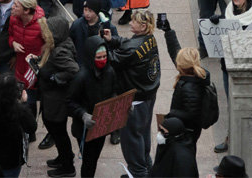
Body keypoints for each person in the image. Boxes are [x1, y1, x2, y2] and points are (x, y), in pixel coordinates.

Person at [102, 10, 161, 178]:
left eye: (134, 22)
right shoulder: (150, 39)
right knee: (142, 134)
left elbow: (112, 59)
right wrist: (113, 39)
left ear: (143, 26)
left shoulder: (133, 48)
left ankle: (138, 172)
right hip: (148, 94)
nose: (130, 23)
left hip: (134, 100)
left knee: (131, 140)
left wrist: (102, 46)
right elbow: (129, 44)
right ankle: (146, 168)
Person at [31, 16, 79, 177]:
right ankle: (64, 157)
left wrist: (53, 78)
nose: (44, 35)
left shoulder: (60, 51)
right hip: (52, 98)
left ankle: (68, 167)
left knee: (58, 131)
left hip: (56, 100)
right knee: (57, 131)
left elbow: (73, 70)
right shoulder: (61, 43)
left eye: (47, 32)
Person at [68, 35, 116, 178]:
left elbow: (113, 91)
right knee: (88, 161)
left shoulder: (110, 72)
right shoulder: (80, 77)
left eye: (104, 56)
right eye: (99, 57)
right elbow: (69, 102)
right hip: (84, 128)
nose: (102, 60)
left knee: (93, 158)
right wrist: (83, 114)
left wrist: (120, 104)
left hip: (101, 127)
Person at [157, 16, 210, 146]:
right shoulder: (192, 73)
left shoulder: (190, 87)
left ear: (182, 66)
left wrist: (171, 114)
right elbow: (176, 52)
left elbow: (191, 114)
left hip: (186, 131)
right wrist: (168, 32)